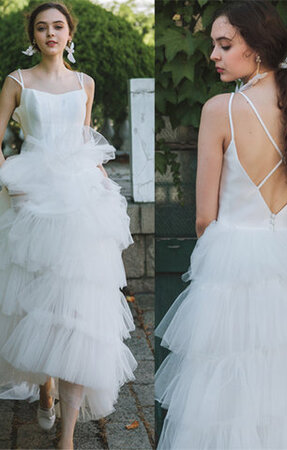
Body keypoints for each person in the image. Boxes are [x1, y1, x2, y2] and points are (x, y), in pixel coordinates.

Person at [155, 1, 287, 449]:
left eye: (224, 45)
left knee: (222, 395)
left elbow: (204, 217)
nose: (213, 56)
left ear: (256, 48)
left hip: (233, 266)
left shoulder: (221, 109)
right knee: (280, 387)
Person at [0, 2, 137, 449]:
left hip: (79, 200)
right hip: (34, 196)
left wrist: (105, 188)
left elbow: (84, 141)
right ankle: (45, 386)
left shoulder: (85, 83)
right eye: (42, 28)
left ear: (69, 33)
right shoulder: (17, 82)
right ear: (33, 36)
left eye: (58, 26)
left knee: (80, 310)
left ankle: (67, 439)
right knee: (37, 304)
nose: (50, 34)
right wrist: (9, 182)